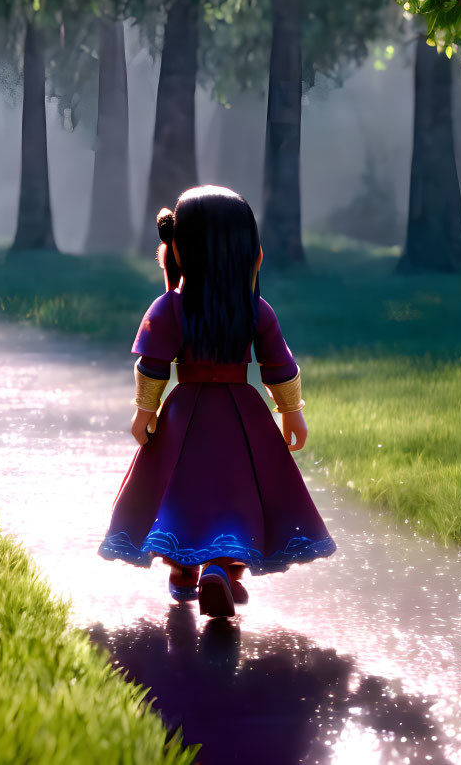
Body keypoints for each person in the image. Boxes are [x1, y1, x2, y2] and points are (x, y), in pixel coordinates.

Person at [98, 185, 335, 617]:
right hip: (243, 416)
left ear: (179, 251)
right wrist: (291, 414)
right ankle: (221, 569)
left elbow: (153, 365)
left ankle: (186, 572)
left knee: (183, 490)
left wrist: (145, 412)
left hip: (184, 415)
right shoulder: (255, 310)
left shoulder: (170, 307)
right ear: (251, 254)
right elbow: (278, 367)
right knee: (236, 490)